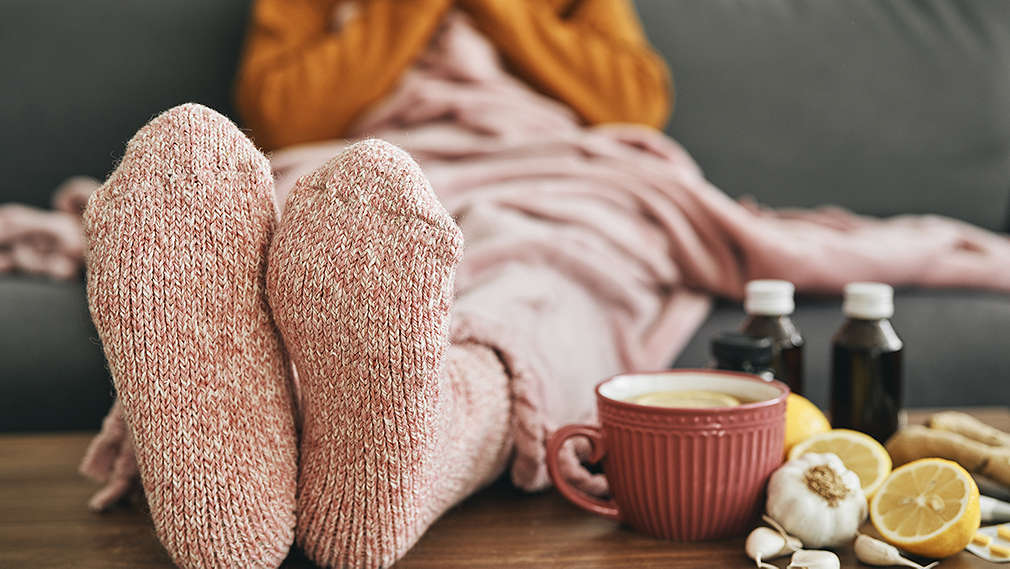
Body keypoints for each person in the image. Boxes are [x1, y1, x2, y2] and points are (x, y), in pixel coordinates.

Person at [76, 2, 1010, 569]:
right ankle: (267, 468)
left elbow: (633, 100)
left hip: (563, 171)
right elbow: (282, 107)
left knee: (541, 284)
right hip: (361, 162)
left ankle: (392, 458)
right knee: (319, 254)